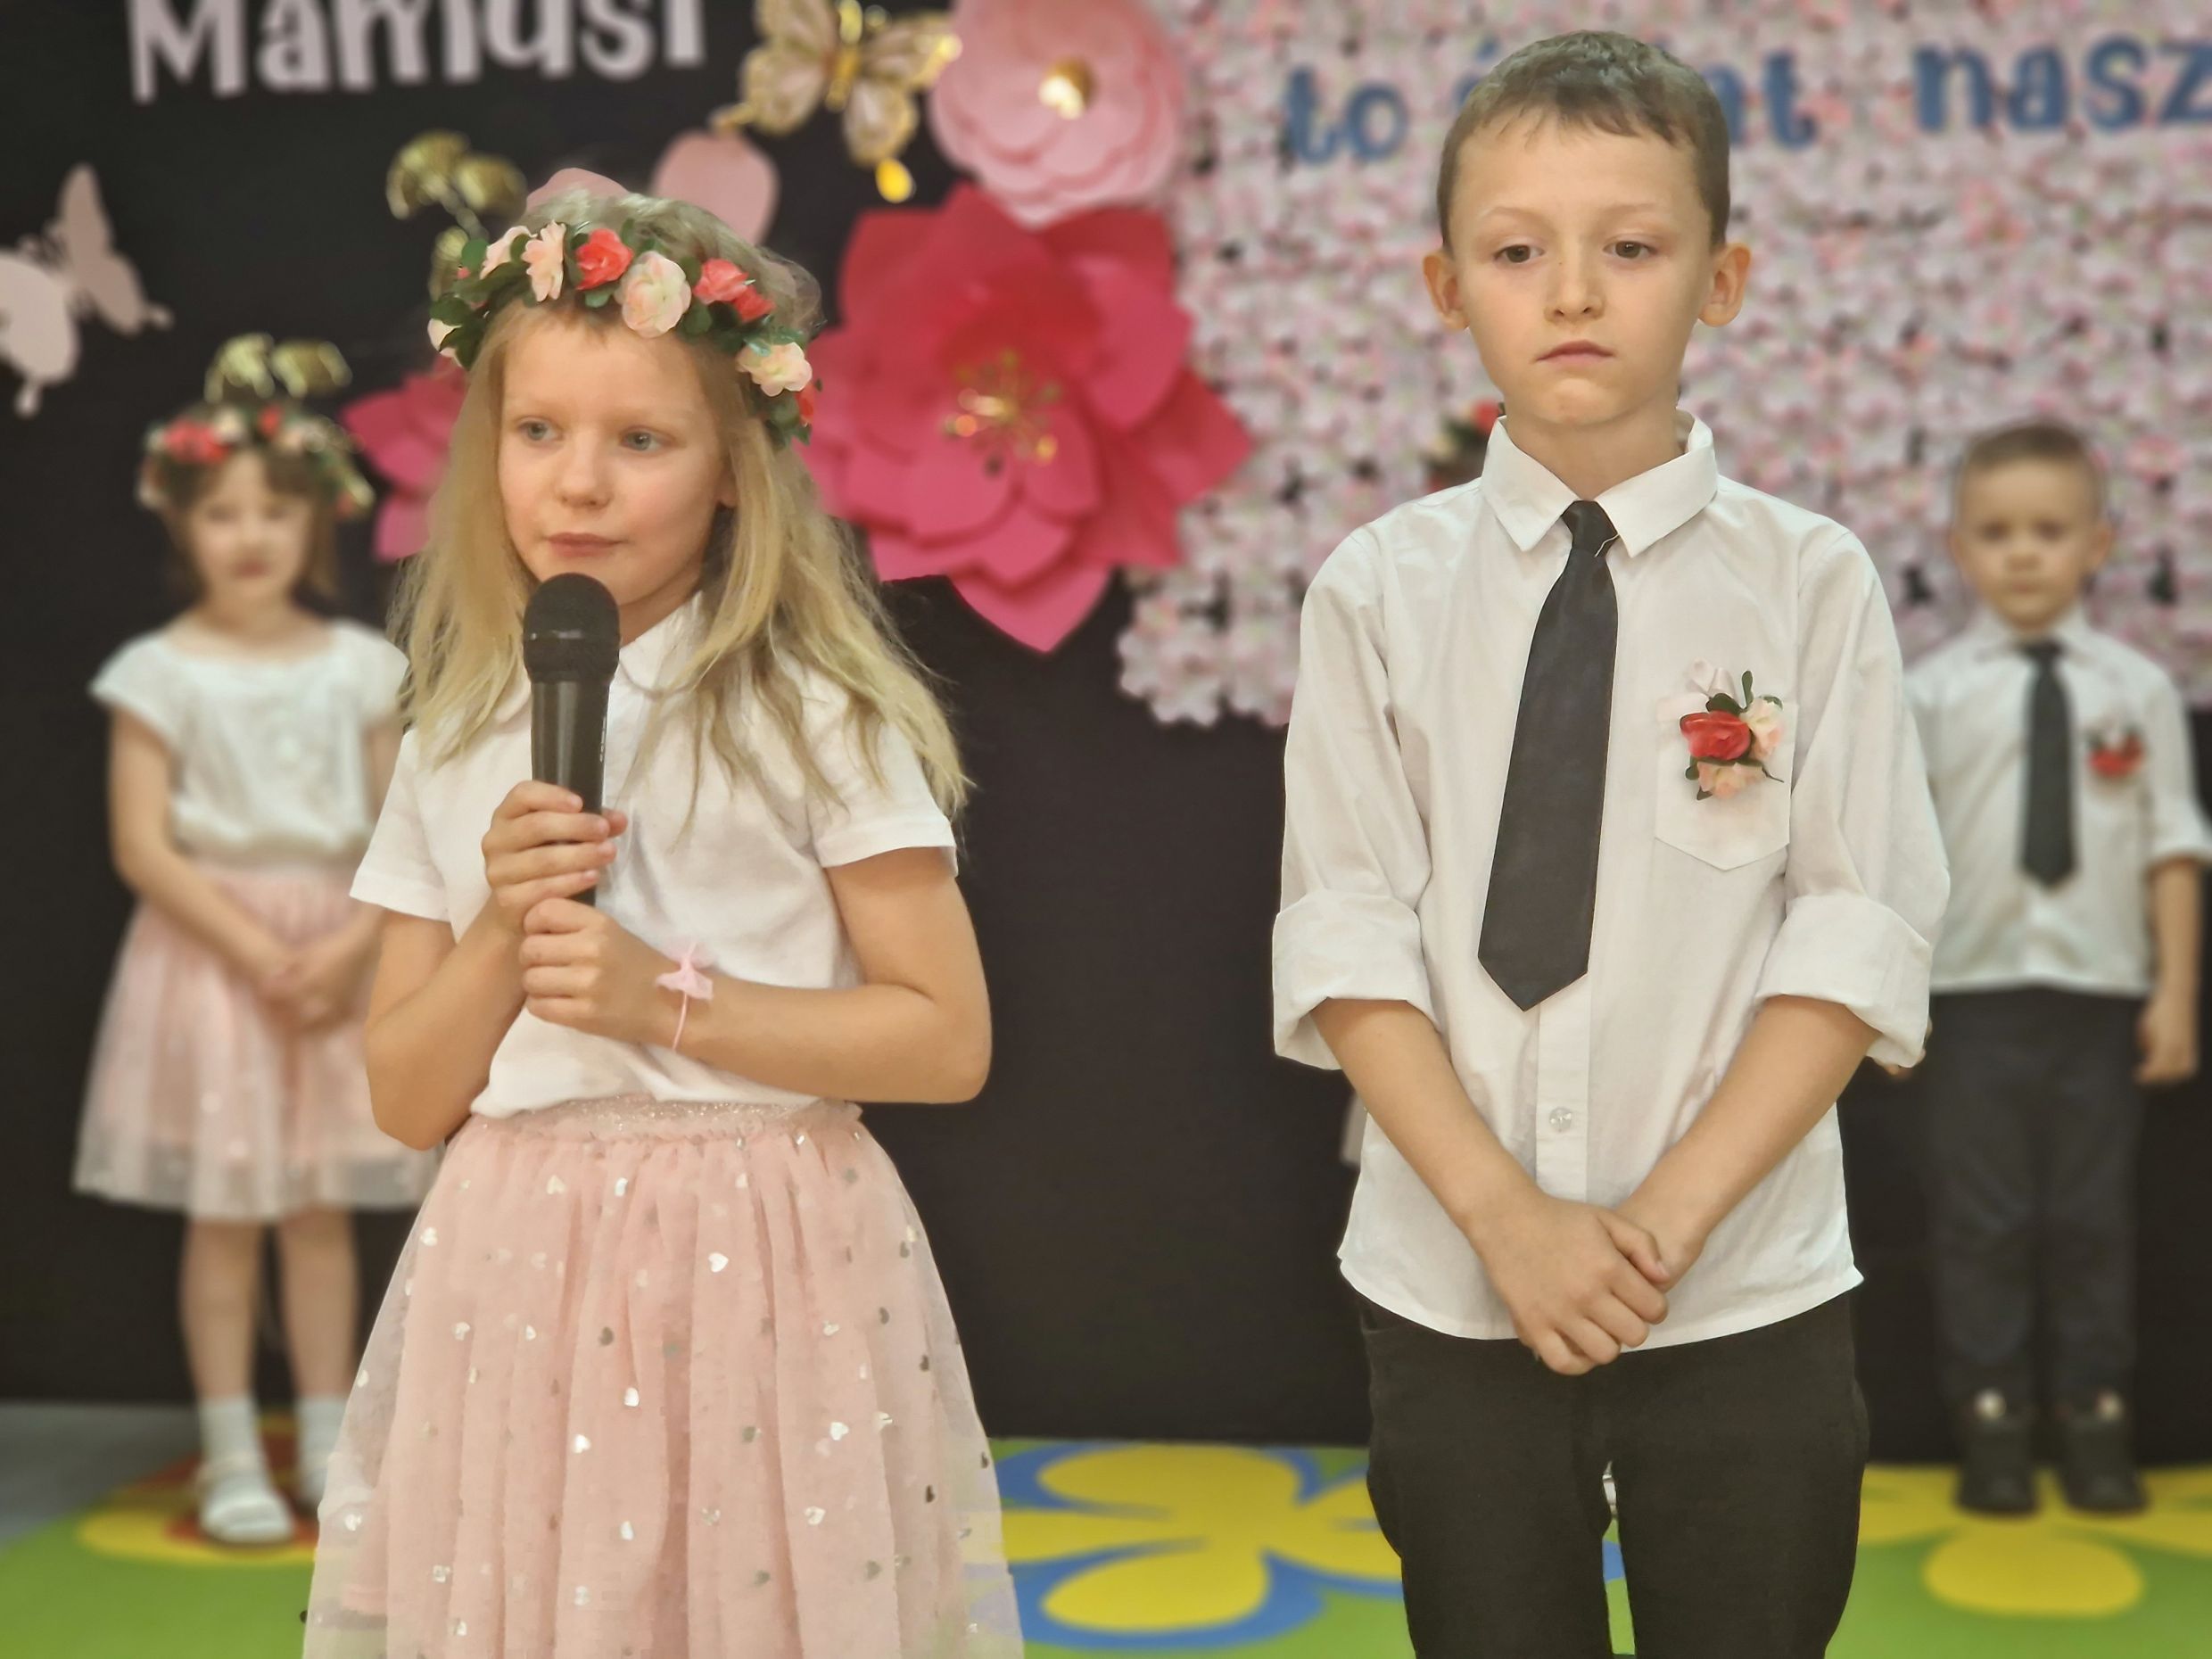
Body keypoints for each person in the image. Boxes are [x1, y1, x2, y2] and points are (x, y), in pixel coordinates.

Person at [1273, 31, 1948, 1657]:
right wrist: (1509, 1221)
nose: (1573, 293)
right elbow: (1347, 931)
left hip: (1743, 1285)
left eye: (1633, 248)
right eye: (1518, 253)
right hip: (1453, 1275)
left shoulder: (1812, 583)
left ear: (1723, 280)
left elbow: (1853, 930)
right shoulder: (1375, 591)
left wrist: (1664, 1227)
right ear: (1448, 287)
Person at [301, 194, 1021, 1656]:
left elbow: (945, 1041)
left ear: (735, 466)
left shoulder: (815, 713)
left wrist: (662, 999)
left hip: (769, 1259)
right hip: (514, 1263)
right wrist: (507, 930)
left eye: (640, 440)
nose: (579, 483)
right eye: (538, 432)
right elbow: (407, 1094)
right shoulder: (452, 730)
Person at [77, 360, 432, 1545]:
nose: (249, 536)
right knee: (225, 1216)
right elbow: (142, 844)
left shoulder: (361, 668)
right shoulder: (158, 672)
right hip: (211, 964)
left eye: (274, 511)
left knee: (319, 1210)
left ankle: (328, 1440)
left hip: (339, 950)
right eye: (222, 512)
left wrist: (348, 952)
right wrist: (255, 952)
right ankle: (230, 1453)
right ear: (180, 523)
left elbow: (402, 830)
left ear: (316, 521)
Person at [1905, 419, 2209, 1515]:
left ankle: (2092, 1417)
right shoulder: (1928, 693)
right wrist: (1892, 1001)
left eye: (2048, 530)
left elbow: (2171, 846)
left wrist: (2174, 993)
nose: (2023, 554)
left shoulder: (2135, 690)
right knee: (1978, 1220)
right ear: (1957, 549)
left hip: (2098, 1000)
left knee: (2091, 1222)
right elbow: (1898, 856)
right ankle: (1987, 1420)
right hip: (1967, 1000)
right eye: (1995, 534)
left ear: (2097, 544)